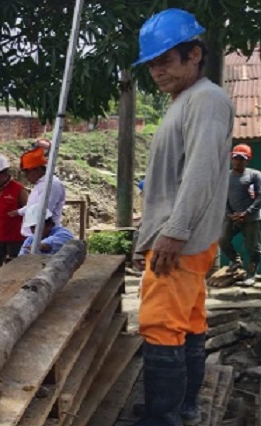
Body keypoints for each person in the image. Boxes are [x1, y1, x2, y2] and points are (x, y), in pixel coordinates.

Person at [131, 9, 234, 426]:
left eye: (165, 61)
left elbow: (201, 172)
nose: (156, 72)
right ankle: (184, 406)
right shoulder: (186, 101)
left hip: (181, 241)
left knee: (159, 326)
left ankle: (162, 418)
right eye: (151, 64)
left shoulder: (205, 100)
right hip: (186, 239)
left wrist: (172, 233)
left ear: (194, 54)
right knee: (189, 322)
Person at [219, 144, 261, 284]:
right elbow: (223, 196)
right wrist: (229, 213)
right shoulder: (226, 176)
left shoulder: (255, 175)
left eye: (241, 159)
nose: (237, 161)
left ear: (247, 160)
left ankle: (251, 274)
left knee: (253, 247)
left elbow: (260, 197)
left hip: (251, 218)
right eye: (235, 158)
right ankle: (236, 261)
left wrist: (247, 213)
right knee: (223, 239)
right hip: (232, 217)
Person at [0, 154, 28, 267]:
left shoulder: (18, 189)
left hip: (16, 238)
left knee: (15, 266)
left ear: (5, 173)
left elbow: (29, 210)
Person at [18, 145, 65, 237]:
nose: (26, 176)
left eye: (27, 172)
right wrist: (18, 212)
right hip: (33, 235)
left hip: (44, 236)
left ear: (38, 169)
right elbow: (33, 206)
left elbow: (43, 212)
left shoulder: (52, 185)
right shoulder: (40, 184)